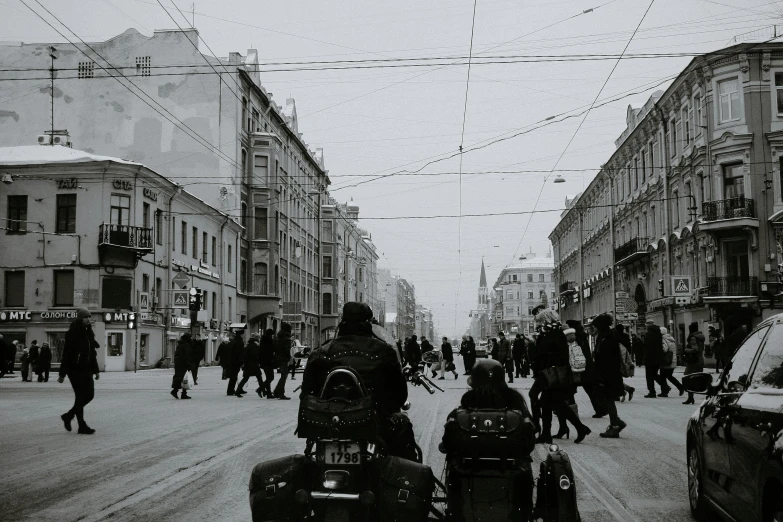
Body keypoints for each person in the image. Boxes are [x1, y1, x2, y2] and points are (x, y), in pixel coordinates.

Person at [301, 302, 415, 460]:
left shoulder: (321, 352)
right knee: (403, 425)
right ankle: (402, 479)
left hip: (328, 423)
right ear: (368, 323)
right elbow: (399, 394)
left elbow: (306, 394)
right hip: (371, 421)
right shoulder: (384, 351)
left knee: (311, 460)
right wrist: (385, 408)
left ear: (342, 321)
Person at [439, 358, 536, 520]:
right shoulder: (517, 405)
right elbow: (529, 445)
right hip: (513, 475)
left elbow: (448, 445)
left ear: (473, 382)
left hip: (466, 478)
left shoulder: (462, 410)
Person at [533, 309, 590, 444]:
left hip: (553, 374)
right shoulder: (549, 332)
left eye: (540, 320)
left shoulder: (555, 333)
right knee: (552, 404)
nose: (538, 323)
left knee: (541, 398)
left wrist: (543, 360)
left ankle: (543, 430)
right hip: (551, 373)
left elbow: (553, 353)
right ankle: (578, 428)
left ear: (546, 320)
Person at [58, 308, 100, 434]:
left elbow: (92, 354)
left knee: (89, 395)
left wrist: (96, 370)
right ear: (80, 318)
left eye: (89, 317)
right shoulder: (73, 333)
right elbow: (67, 354)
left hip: (87, 369)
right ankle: (82, 425)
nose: (88, 319)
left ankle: (69, 415)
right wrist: (62, 373)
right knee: (81, 396)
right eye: (86, 317)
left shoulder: (88, 333)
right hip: (74, 369)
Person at [592, 314, 627, 438]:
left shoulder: (607, 339)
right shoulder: (606, 337)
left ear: (600, 326)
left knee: (609, 400)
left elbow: (607, 360)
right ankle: (616, 422)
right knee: (607, 400)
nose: (593, 329)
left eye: (595, 326)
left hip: (608, 375)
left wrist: (601, 377)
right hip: (608, 375)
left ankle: (615, 426)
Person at [565, 319, 606, 418]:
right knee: (591, 390)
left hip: (576, 367)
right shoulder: (583, 335)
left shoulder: (573, 338)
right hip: (587, 367)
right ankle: (600, 409)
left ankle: (572, 413)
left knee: (569, 390)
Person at [643, 322, 669, 398]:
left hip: (650, 358)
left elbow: (647, 347)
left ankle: (652, 392)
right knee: (654, 374)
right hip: (658, 358)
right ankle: (665, 386)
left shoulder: (648, 334)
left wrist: (645, 358)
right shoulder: (658, 334)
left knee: (649, 376)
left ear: (648, 327)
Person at [236, 333, 263, 398]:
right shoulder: (254, 346)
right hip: (253, 365)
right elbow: (254, 355)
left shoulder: (249, 345)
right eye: (258, 338)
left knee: (246, 378)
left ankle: (238, 390)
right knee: (259, 378)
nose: (259, 339)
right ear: (256, 338)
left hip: (248, 365)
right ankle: (263, 390)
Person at [682, 331, 705, 405]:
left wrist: (686, 350)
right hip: (694, 363)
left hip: (695, 364)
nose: (692, 341)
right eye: (691, 340)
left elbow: (694, 351)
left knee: (690, 380)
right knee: (690, 380)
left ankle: (690, 397)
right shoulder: (700, 343)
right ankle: (690, 397)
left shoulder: (697, 344)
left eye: (693, 340)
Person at [659, 327, 684, 395]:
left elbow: (664, 349)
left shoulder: (663, 339)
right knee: (669, 376)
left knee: (663, 377)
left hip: (666, 361)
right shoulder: (671, 339)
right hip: (672, 360)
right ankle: (680, 387)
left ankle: (664, 392)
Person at [272, 323, 293, 400]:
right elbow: (287, 350)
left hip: (279, 358)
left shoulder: (278, 337)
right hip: (284, 359)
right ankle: (280, 393)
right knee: (284, 376)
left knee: (283, 376)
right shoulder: (286, 339)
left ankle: (277, 391)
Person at [171, 333, 193, 399]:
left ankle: (181, 392)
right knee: (183, 378)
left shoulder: (180, 345)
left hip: (179, 364)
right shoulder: (186, 345)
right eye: (190, 338)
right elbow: (186, 356)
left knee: (181, 378)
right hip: (183, 364)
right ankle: (177, 391)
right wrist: (189, 364)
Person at [258, 329, 276, 399]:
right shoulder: (269, 341)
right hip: (268, 361)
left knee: (268, 377)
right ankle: (259, 389)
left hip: (263, 362)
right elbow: (273, 349)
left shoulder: (262, 341)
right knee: (271, 377)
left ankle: (268, 393)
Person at [226, 331, 245, 396]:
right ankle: (230, 391)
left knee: (233, 376)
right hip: (236, 361)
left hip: (232, 361)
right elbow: (240, 352)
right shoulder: (239, 342)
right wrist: (241, 361)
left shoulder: (233, 341)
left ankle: (230, 390)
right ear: (241, 335)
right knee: (234, 376)